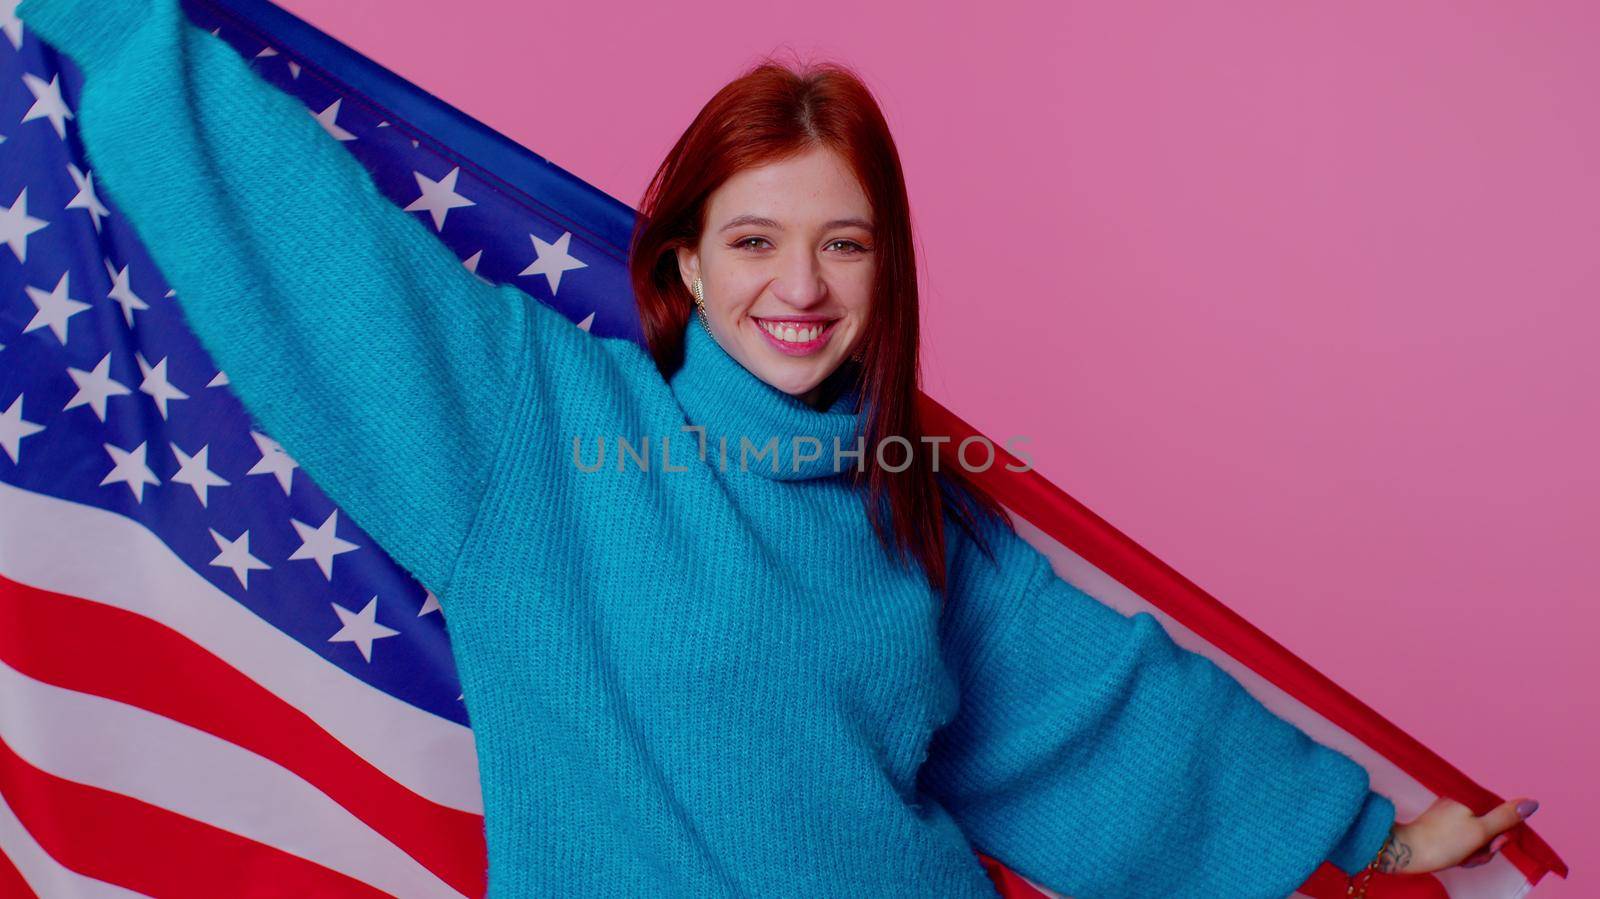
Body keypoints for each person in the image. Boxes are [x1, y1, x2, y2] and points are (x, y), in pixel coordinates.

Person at [16, 0, 1536, 895]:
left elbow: (1101, 707)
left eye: (844, 245)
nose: (798, 288)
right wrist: (117, 21)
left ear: (889, 272)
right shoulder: (536, 431)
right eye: (754, 239)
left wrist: (1370, 834)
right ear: (680, 259)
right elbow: (313, 248)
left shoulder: (911, 509)